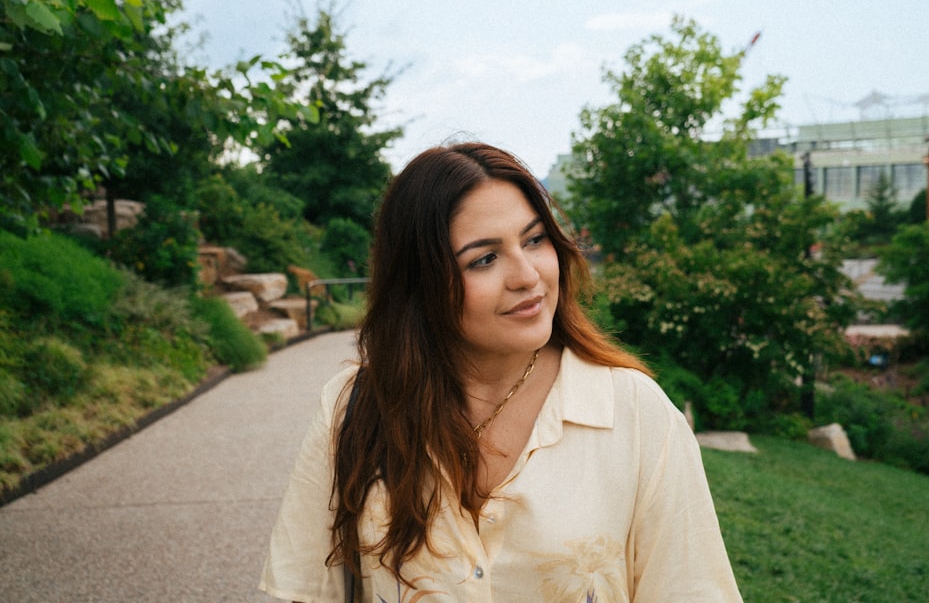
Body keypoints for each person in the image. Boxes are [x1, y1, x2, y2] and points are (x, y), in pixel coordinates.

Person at [259, 142, 744, 602]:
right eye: (484, 258)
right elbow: (309, 587)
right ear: (419, 284)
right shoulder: (356, 404)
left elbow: (692, 587)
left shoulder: (636, 413)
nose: (527, 276)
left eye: (534, 240)